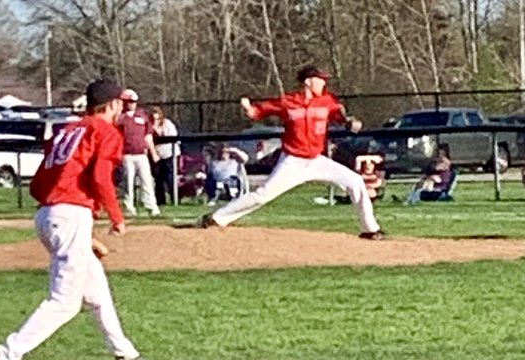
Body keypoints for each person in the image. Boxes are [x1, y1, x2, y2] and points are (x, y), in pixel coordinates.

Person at [0, 78, 142, 360]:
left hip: (49, 213)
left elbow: (39, 182)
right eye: (120, 103)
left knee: (96, 290)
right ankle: (6, 357)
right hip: (70, 214)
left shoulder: (68, 130)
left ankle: (125, 353)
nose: (122, 108)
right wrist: (116, 216)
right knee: (65, 302)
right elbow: (100, 177)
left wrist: (58, 214)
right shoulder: (105, 131)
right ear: (111, 104)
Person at [200, 65, 385, 238]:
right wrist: (249, 109)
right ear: (308, 81)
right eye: (320, 79)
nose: (323, 83)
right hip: (292, 161)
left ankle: (370, 229)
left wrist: (350, 121)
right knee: (263, 195)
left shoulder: (326, 101)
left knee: (355, 181)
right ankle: (217, 218)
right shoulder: (288, 102)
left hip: (316, 160)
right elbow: (260, 111)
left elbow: (340, 113)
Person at [119, 88, 159, 218]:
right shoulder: (119, 118)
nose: (132, 104)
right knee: (128, 183)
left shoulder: (142, 116)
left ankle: (151, 207)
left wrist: (153, 153)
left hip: (141, 154)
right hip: (126, 154)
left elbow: (148, 136)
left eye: (134, 102)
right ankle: (129, 208)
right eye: (129, 101)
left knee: (147, 181)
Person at [151, 106, 179, 207]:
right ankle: (160, 201)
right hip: (156, 154)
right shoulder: (149, 125)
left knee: (169, 177)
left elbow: (172, 137)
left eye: (157, 115)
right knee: (158, 178)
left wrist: (158, 131)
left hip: (169, 153)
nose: (155, 118)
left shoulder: (167, 123)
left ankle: (174, 198)